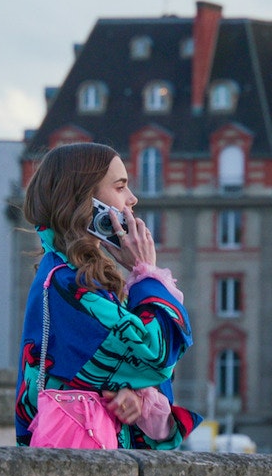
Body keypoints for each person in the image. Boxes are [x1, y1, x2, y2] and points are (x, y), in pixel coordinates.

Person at [15, 142, 201, 449]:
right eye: (120, 187)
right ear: (86, 201)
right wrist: (145, 271)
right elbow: (157, 354)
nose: (132, 199)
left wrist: (133, 397)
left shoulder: (74, 277)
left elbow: (134, 371)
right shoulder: (68, 285)